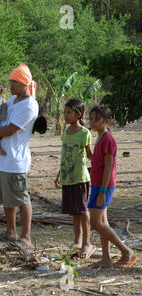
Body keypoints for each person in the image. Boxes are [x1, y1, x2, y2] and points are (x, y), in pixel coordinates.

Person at [0, 64, 38, 250]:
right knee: (8, 199)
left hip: (16, 160)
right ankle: (10, 231)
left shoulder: (29, 105)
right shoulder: (13, 101)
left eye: (15, 82)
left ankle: (26, 237)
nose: (12, 86)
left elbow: (9, 129)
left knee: (21, 198)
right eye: (11, 82)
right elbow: (2, 122)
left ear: (25, 83)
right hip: (2, 158)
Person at [88, 106, 137, 268]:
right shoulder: (100, 137)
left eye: (96, 119)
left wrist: (102, 191)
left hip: (104, 186)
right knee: (103, 223)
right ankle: (106, 259)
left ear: (107, 121)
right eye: (91, 119)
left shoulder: (108, 139)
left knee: (96, 223)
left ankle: (126, 250)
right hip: (97, 184)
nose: (92, 122)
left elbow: (109, 166)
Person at [54, 99, 94, 259]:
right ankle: (77, 240)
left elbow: (90, 155)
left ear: (79, 114)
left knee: (83, 211)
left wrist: (101, 163)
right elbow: (65, 156)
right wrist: (58, 174)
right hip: (67, 178)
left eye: (69, 112)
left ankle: (87, 242)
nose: (65, 115)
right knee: (74, 212)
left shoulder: (85, 133)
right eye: (65, 112)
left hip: (79, 178)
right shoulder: (65, 132)